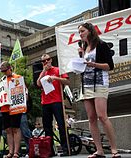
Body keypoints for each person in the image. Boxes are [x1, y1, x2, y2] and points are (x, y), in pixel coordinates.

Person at [78, 22, 120, 158]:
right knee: (91, 118)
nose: (80, 34)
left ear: (90, 31)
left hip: (100, 83)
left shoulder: (101, 45)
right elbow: (83, 67)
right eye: (79, 32)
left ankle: (114, 149)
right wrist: (80, 58)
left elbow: (110, 66)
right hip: (87, 85)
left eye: (82, 31)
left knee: (102, 116)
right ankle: (99, 150)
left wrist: (93, 64)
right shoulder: (84, 47)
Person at [36, 53, 70, 156]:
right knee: (47, 127)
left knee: (61, 125)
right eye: (43, 61)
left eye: (47, 60)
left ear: (51, 60)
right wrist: (44, 71)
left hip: (57, 101)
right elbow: (38, 83)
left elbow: (67, 81)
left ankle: (65, 148)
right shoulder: (43, 73)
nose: (46, 62)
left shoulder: (58, 70)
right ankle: (50, 150)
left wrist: (55, 78)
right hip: (45, 102)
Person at [0, 61, 24, 158]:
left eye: (5, 71)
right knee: (8, 130)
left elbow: (23, 91)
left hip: (15, 107)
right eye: (2, 71)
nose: (4, 73)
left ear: (10, 68)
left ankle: (16, 152)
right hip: (4, 107)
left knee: (16, 128)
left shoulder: (17, 77)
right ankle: (10, 151)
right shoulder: (2, 80)